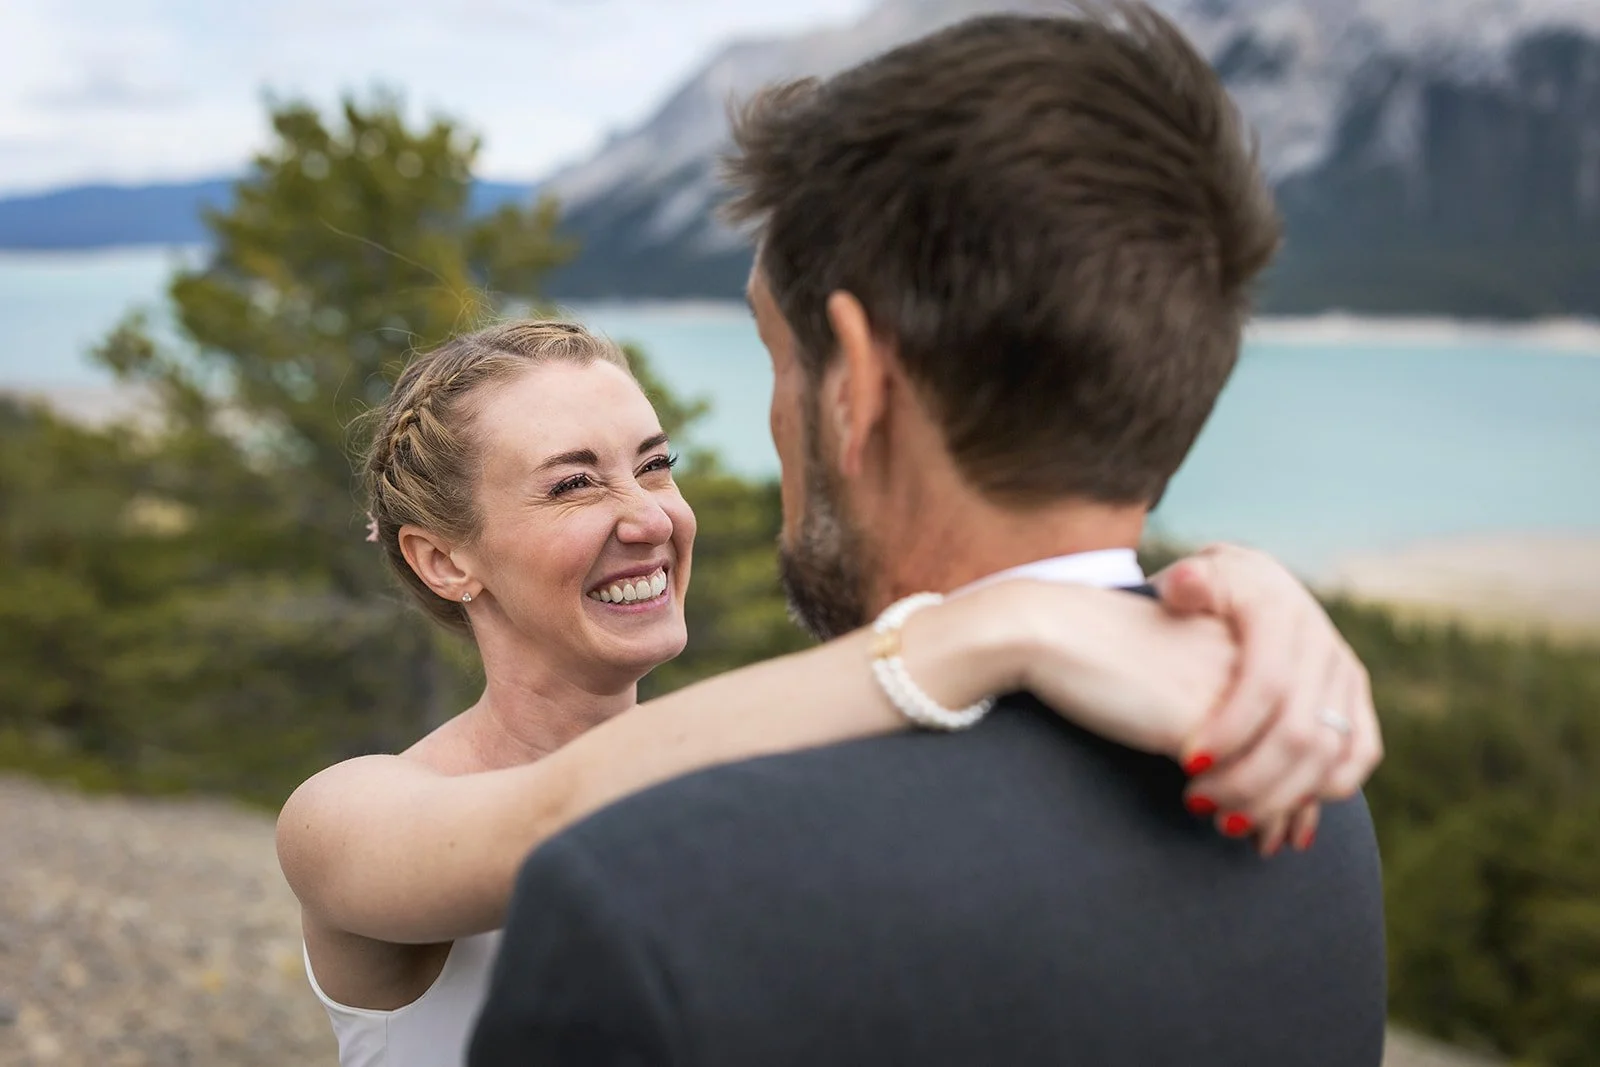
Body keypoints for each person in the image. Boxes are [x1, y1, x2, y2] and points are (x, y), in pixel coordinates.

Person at [468, 6, 1388, 1067]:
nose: (777, 416)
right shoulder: (1302, 778)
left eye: (778, 353)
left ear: (856, 382)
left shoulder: (650, 898)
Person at [279, 314, 1376, 1067]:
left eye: (655, 463)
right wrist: (1003, 624)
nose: (649, 515)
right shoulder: (345, 819)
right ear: (443, 559)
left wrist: (1220, 591)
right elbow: (555, 821)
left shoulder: (746, 766)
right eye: (575, 483)